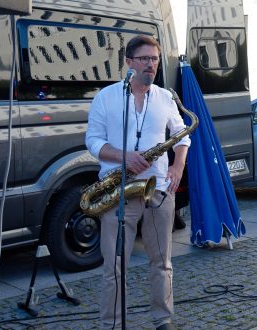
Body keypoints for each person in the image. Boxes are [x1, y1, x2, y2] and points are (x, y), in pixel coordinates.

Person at [86, 35, 190, 330]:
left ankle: (163, 320)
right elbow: (92, 141)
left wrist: (178, 165)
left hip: (158, 191)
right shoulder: (106, 97)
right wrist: (124, 157)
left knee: (162, 263)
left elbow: (182, 134)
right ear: (129, 63)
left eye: (155, 59)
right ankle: (112, 324)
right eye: (144, 59)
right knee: (114, 267)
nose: (151, 65)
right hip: (119, 191)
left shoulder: (166, 97)